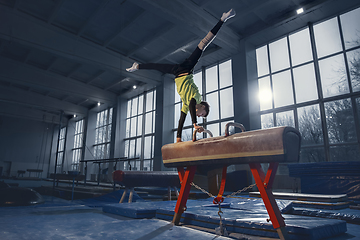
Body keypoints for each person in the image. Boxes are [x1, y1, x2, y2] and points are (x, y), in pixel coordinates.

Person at [126, 9, 236, 142]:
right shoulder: (196, 97)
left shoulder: (185, 103)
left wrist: (178, 137)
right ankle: (222, 19)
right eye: (202, 114)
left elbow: (181, 119)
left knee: (156, 66)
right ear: (203, 106)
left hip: (176, 72)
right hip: (187, 69)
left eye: (200, 117)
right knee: (203, 44)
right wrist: (195, 123)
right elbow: (191, 104)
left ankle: (137, 66)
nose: (200, 116)